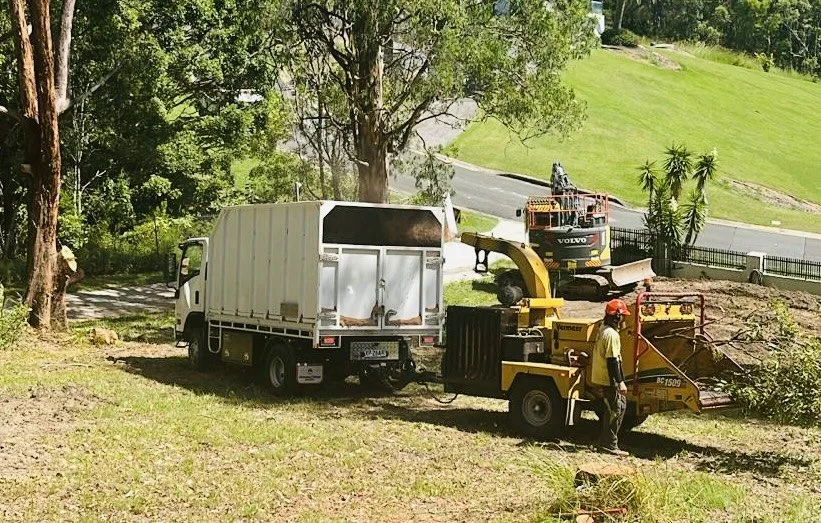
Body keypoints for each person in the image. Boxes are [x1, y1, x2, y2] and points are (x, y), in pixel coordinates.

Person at [591, 298, 630, 456]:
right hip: (607, 379)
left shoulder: (603, 328)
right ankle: (609, 445)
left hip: (601, 377)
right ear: (618, 317)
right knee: (616, 410)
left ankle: (604, 441)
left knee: (614, 409)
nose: (624, 319)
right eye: (623, 316)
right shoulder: (612, 335)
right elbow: (612, 361)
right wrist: (620, 382)